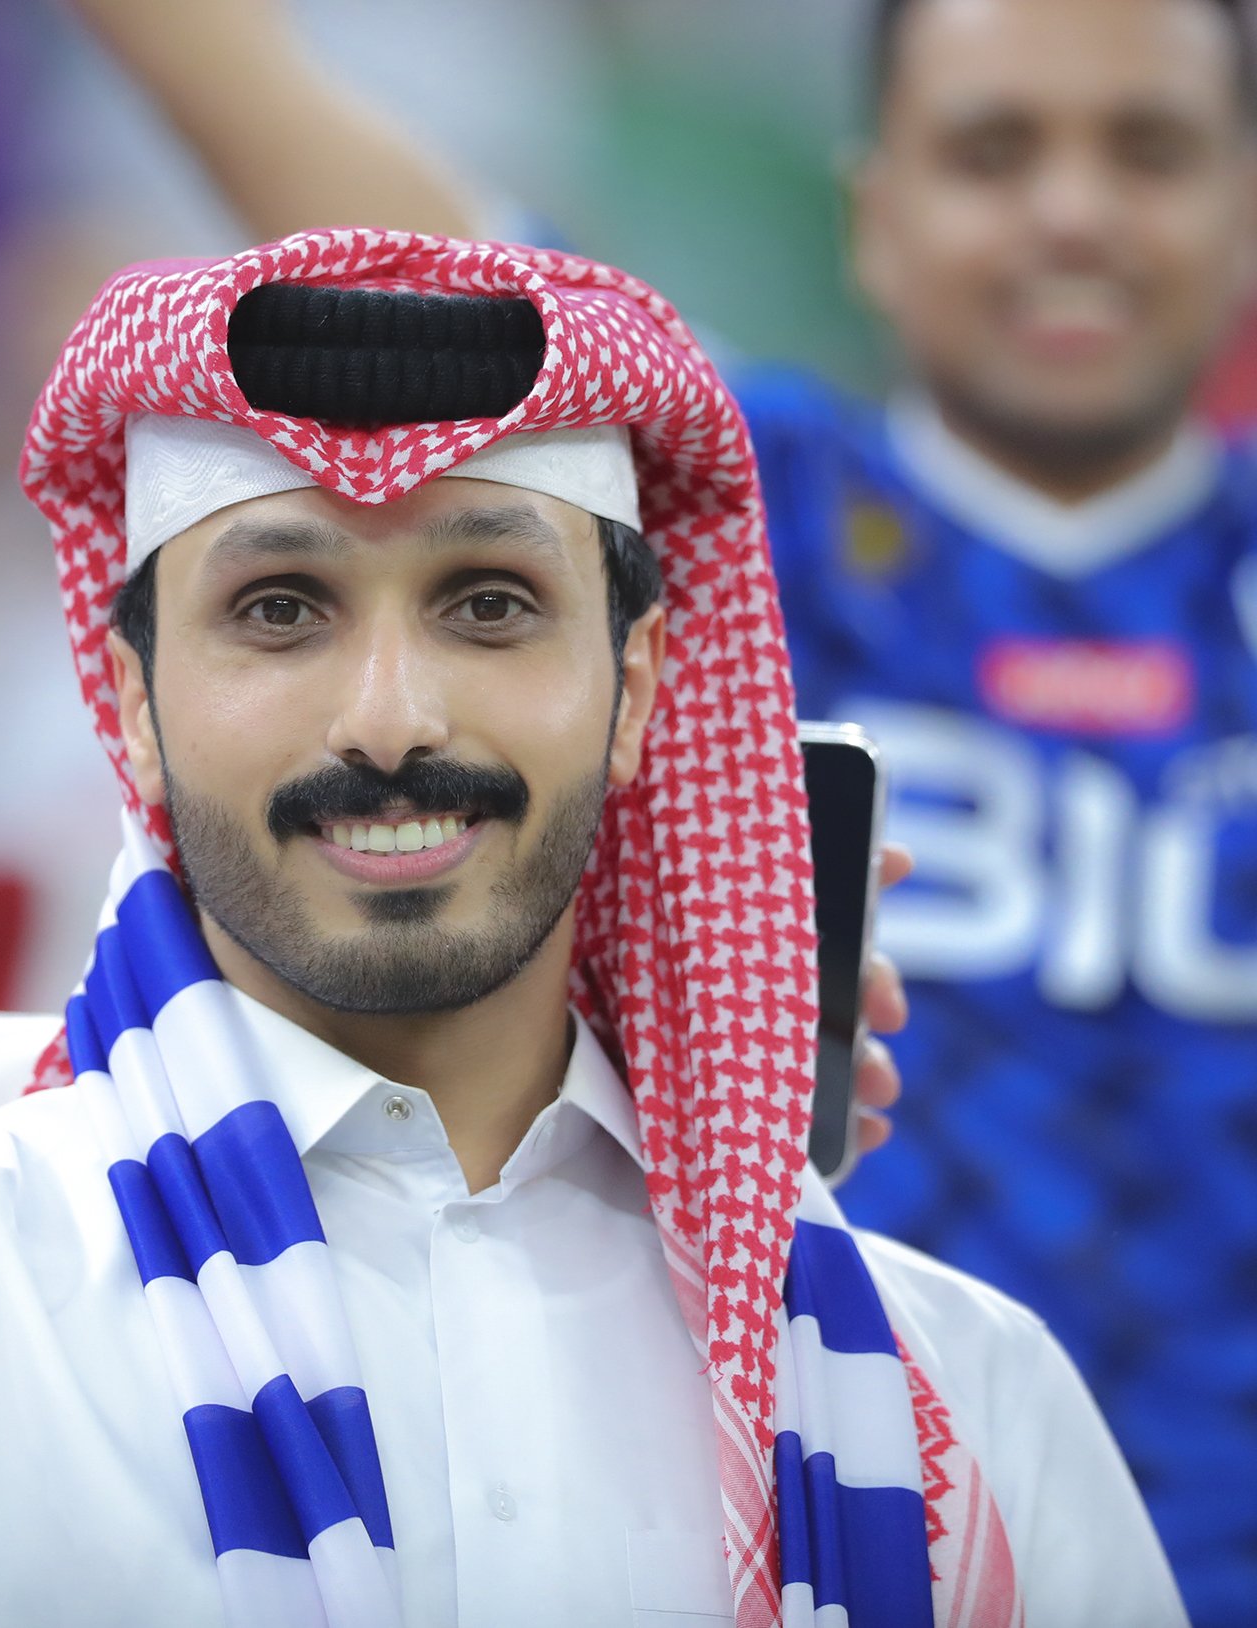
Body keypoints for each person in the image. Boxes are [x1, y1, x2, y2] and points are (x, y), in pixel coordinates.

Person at [0, 241, 1179, 1625]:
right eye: (283, 609)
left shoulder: (953, 1403)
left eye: (489, 602)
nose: (389, 717)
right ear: (133, 699)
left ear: (638, 687)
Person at [79, 0, 1257, 1613]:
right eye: (994, 152)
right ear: (874, 214)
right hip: (821, 1521)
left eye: (1150, 150)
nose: (1072, 211)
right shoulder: (729, 507)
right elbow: (409, 258)